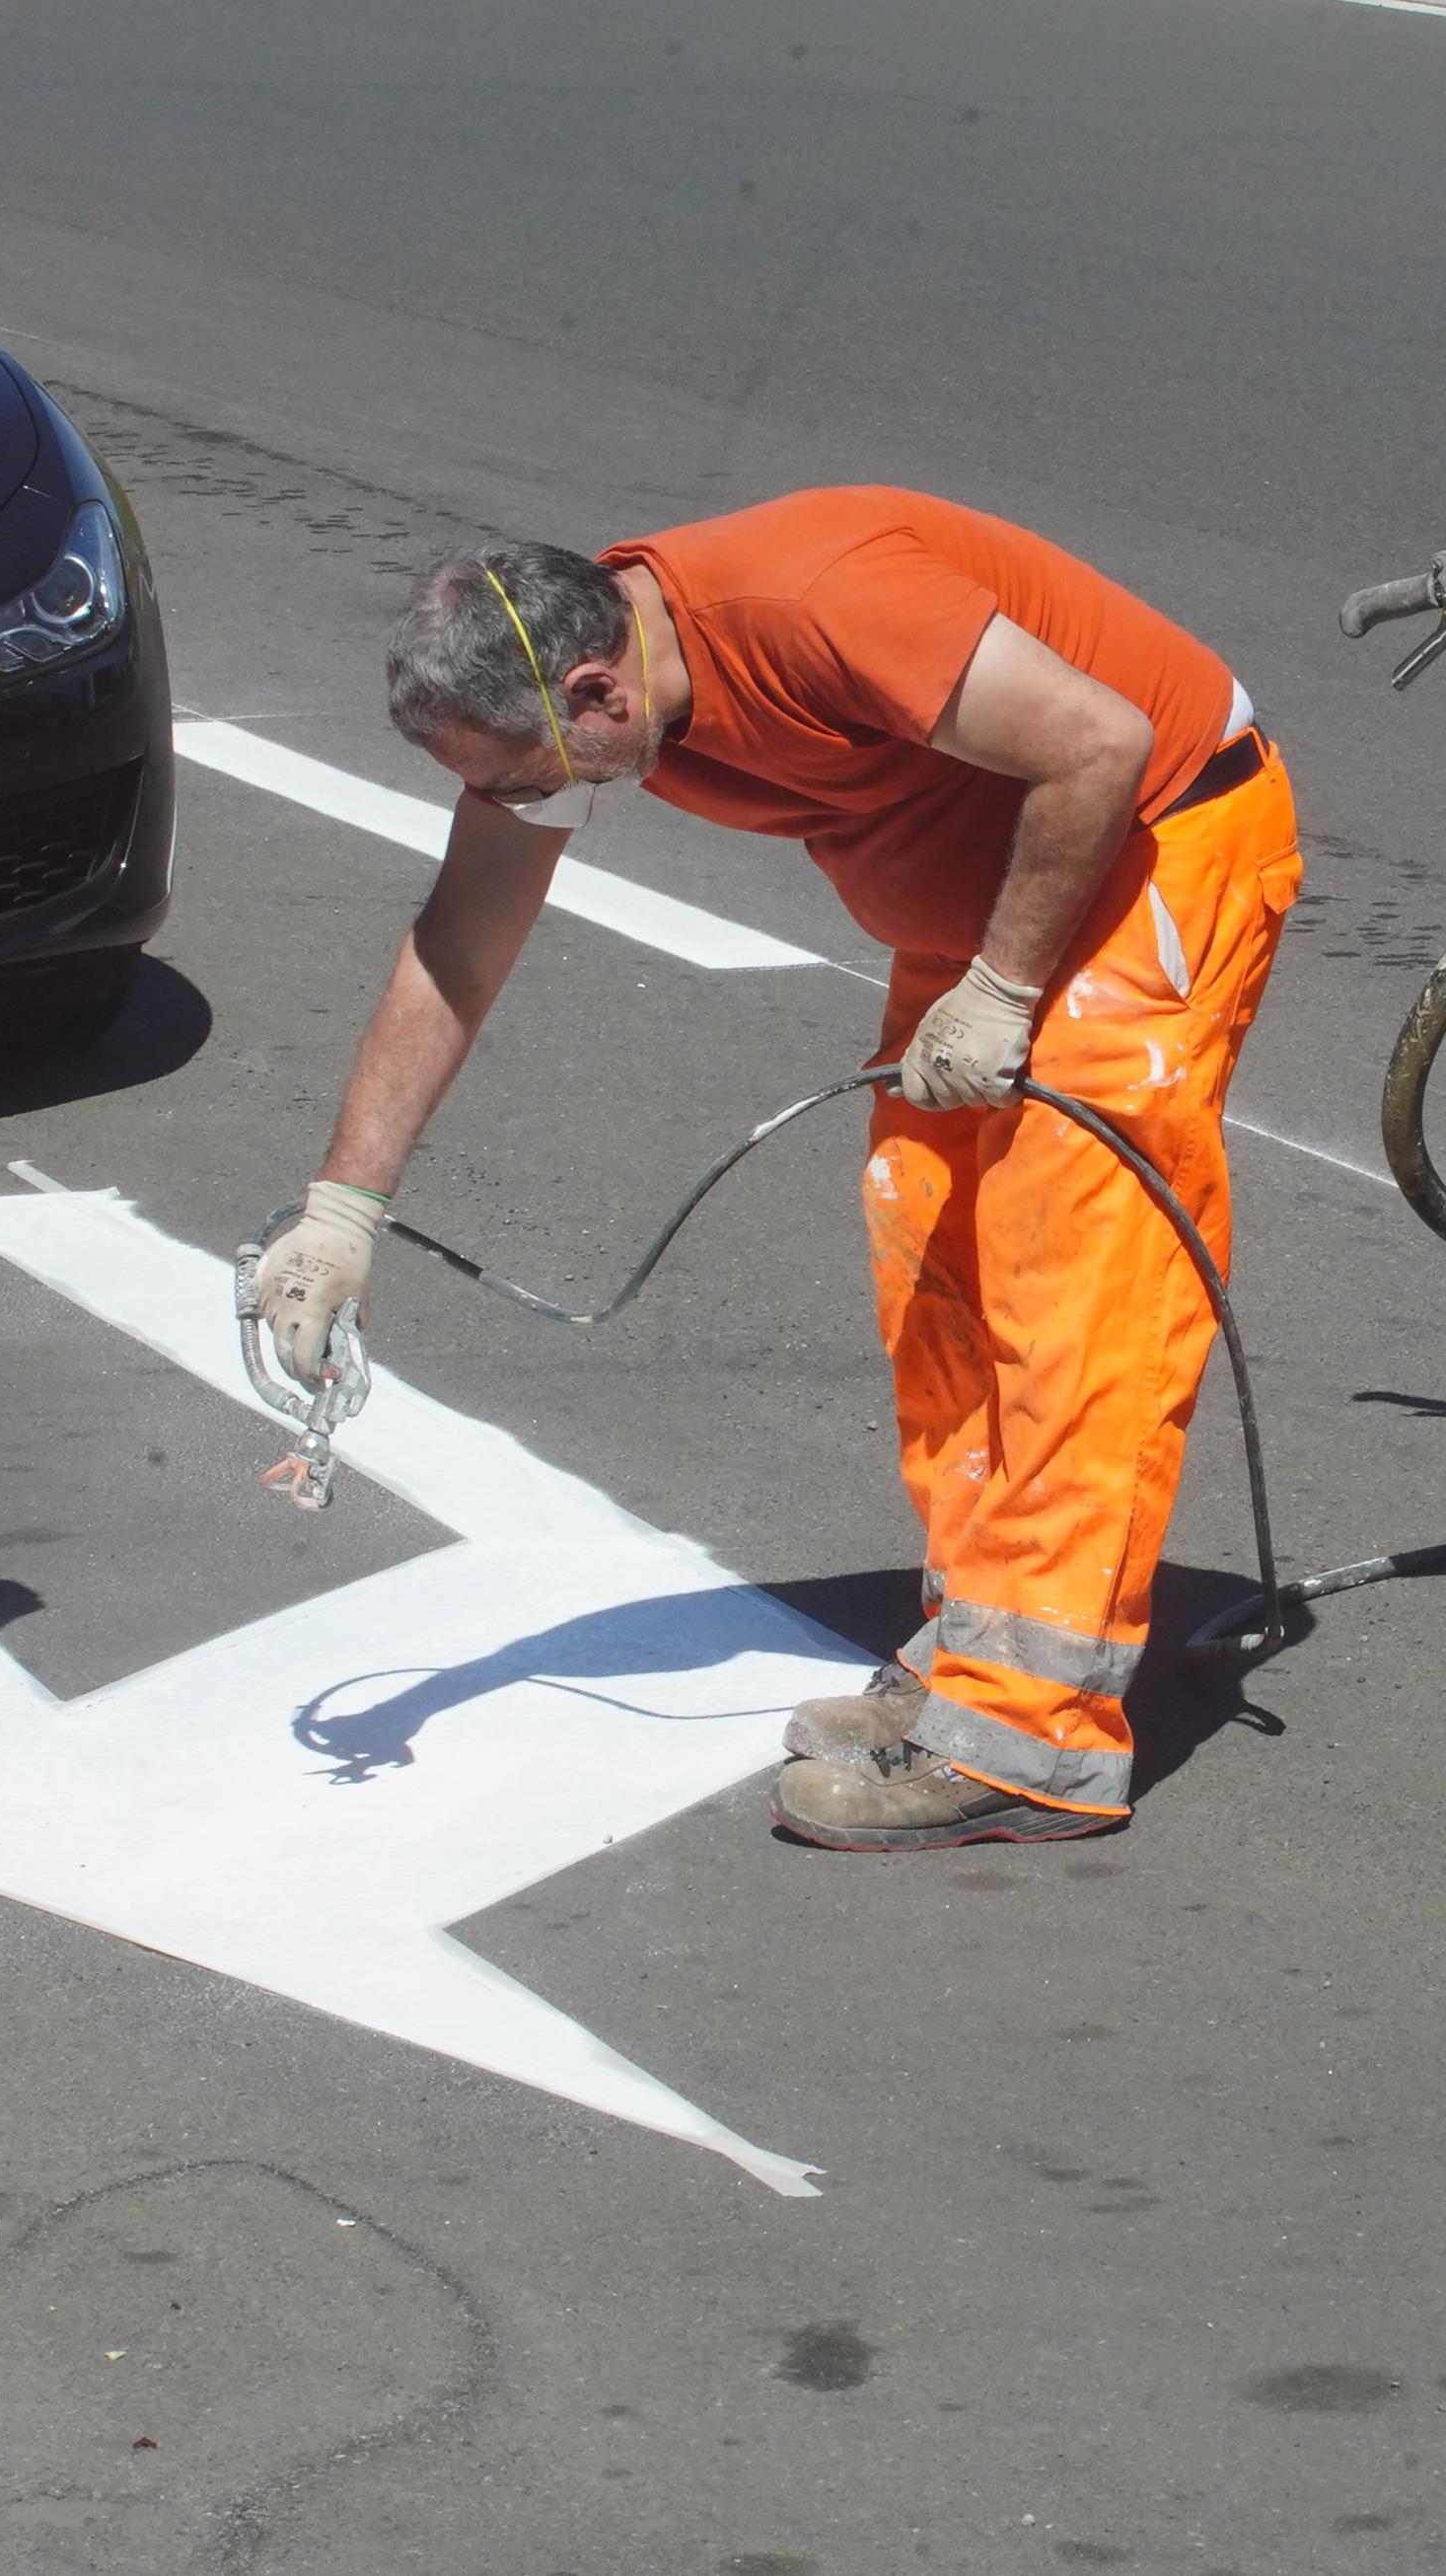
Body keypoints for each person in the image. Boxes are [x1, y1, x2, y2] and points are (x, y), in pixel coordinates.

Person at [253, 489, 1300, 1851]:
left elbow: (1103, 745)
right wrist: (346, 1208)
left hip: (1144, 845)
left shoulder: (821, 606)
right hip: (1001, 899)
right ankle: (980, 1651)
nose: (517, 805)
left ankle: (1034, 1739)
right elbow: (464, 933)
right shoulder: (582, 693)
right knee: (936, 1260)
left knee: (1068, 1287)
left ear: (596, 689)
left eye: (524, 775)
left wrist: (1003, 985)